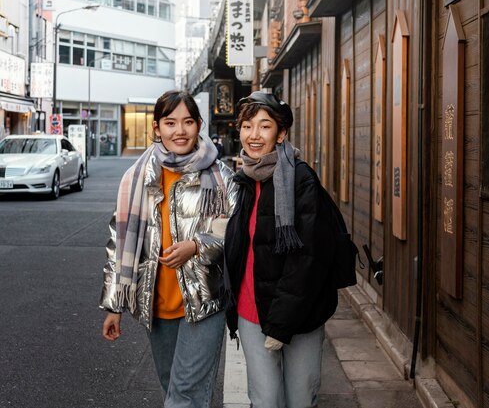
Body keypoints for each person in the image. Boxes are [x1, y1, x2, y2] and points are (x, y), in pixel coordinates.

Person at [100, 90, 238, 408]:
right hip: (157, 304)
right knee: (173, 389)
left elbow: (234, 231)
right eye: (170, 122)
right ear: (156, 128)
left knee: (185, 395)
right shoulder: (137, 178)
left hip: (205, 302)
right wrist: (113, 306)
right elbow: (118, 244)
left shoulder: (219, 177)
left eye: (188, 122)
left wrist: (197, 245)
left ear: (199, 125)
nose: (180, 130)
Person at [224, 91, 338, 408]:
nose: (254, 135)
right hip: (251, 310)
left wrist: (283, 322)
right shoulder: (246, 178)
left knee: (300, 399)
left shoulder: (301, 180)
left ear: (281, 132)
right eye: (247, 126)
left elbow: (309, 259)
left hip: (299, 314)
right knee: (264, 399)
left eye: (264, 126)